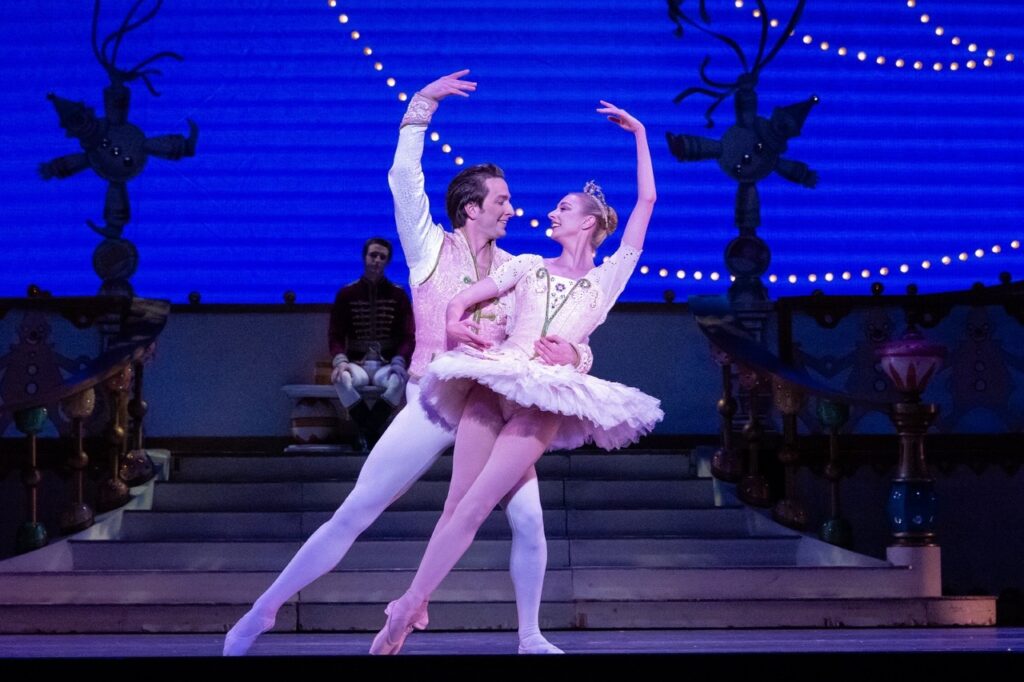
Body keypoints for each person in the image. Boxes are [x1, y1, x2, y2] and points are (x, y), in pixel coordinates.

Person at [223, 70, 594, 656]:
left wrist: (576, 352)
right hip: (433, 400)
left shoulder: (518, 267)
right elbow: (403, 179)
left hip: (492, 408)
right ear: (471, 207)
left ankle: (529, 635)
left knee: (529, 518)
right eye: (501, 200)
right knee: (358, 510)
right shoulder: (430, 248)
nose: (511, 208)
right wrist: (421, 106)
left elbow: (560, 326)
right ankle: (261, 612)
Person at [369, 95, 662, 656]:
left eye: (562, 209)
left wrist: (641, 136)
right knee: (456, 504)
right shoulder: (526, 265)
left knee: (480, 504)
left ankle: (407, 607)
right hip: (495, 380)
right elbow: (459, 301)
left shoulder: (607, 279)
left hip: (543, 397)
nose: (550, 214)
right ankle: (413, 605)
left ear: (589, 222)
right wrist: (455, 325)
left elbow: (646, 201)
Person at [329, 236, 415, 447]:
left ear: (387, 261)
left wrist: (399, 361)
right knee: (341, 380)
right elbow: (335, 333)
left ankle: (367, 431)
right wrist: (340, 361)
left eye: (382, 257)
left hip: (387, 364)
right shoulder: (347, 294)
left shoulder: (398, 295)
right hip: (355, 362)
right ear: (364, 257)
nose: (377, 260)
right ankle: (373, 432)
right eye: (373, 255)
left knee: (398, 382)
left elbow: (408, 335)